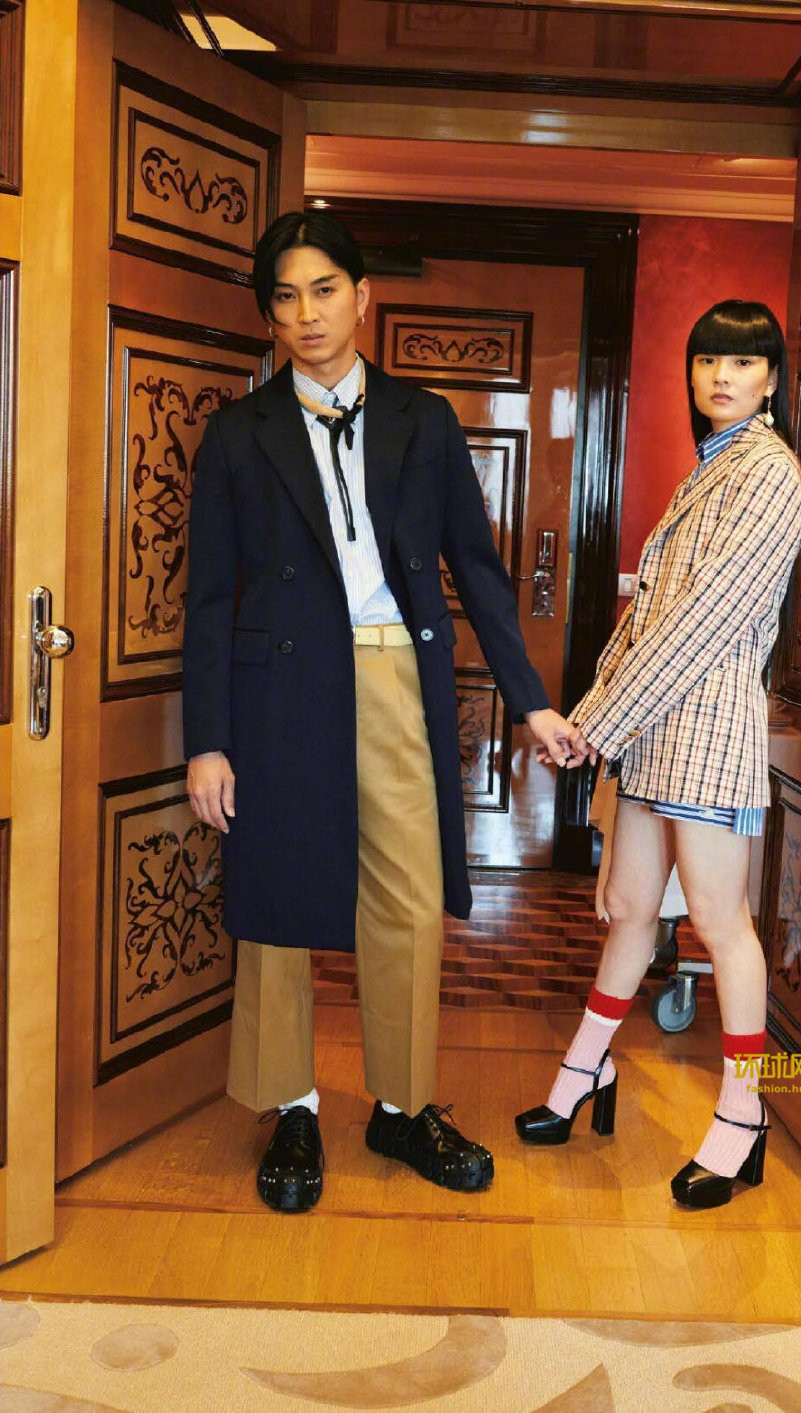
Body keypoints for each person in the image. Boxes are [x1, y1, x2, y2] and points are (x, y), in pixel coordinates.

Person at [183, 210, 579, 1212]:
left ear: (362, 298)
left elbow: (477, 570)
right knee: (276, 898)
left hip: (396, 674)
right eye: (286, 297)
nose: (307, 314)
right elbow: (210, 599)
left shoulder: (424, 420)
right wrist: (209, 741)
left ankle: (401, 1107)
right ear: (269, 317)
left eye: (325, 290)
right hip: (277, 690)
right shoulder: (236, 435)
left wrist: (530, 703)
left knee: (407, 895)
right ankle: (291, 1105)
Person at [517, 299, 801, 1210]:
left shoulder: (768, 473)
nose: (722, 374)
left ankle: (742, 1117)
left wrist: (598, 724)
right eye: (709, 358)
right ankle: (585, 1070)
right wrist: (592, 720)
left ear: (772, 378)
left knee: (721, 922)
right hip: (654, 731)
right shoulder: (712, 467)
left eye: (744, 361)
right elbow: (647, 617)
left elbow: (700, 625)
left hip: (709, 728)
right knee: (630, 911)